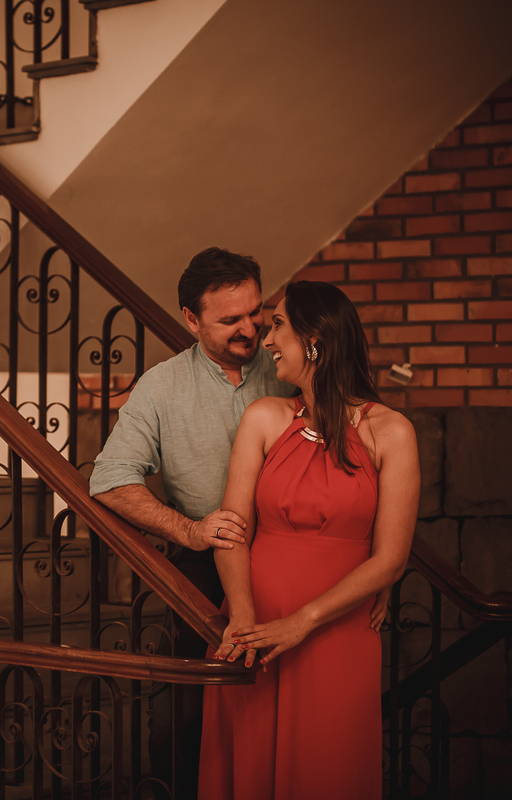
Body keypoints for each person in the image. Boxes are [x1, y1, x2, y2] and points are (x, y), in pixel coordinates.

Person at [198, 280, 420, 800]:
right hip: (251, 626)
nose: (266, 339)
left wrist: (303, 622)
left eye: (277, 325)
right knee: (247, 768)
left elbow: (390, 559)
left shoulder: (392, 433)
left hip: (335, 632)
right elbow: (232, 528)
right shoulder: (265, 418)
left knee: (327, 768)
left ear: (314, 340)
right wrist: (243, 616)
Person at [90, 246, 295, 799]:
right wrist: (187, 530)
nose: (250, 328)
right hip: (204, 571)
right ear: (191, 319)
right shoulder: (160, 386)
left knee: (290, 710)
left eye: (256, 311)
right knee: (192, 718)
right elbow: (109, 479)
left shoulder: (291, 367)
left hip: (294, 563)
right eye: (230, 319)